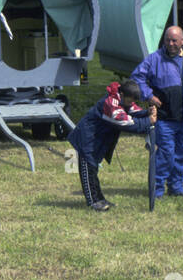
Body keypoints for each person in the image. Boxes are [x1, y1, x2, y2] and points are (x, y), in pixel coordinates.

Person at [132, 25, 183, 198]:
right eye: (167, 40)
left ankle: (176, 187)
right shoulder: (154, 59)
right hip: (165, 118)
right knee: (165, 153)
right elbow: (136, 77)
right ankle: (157, 189)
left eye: (174, 40)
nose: (170, 43)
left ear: (182, 41)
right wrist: (149, 96)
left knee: (182, 153)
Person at [67, 78, 157, 211]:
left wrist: (146, 113)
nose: (131, 103)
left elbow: (132, 112)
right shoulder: (110, 104)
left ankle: (100, 199)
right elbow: (124, 121)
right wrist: (147, 121)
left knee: (93, 169)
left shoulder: (123, 100)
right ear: (122, 94)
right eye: (129, 100)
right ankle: (93, 202)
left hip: (97, 140)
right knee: (88, 170)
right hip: (86, 139)